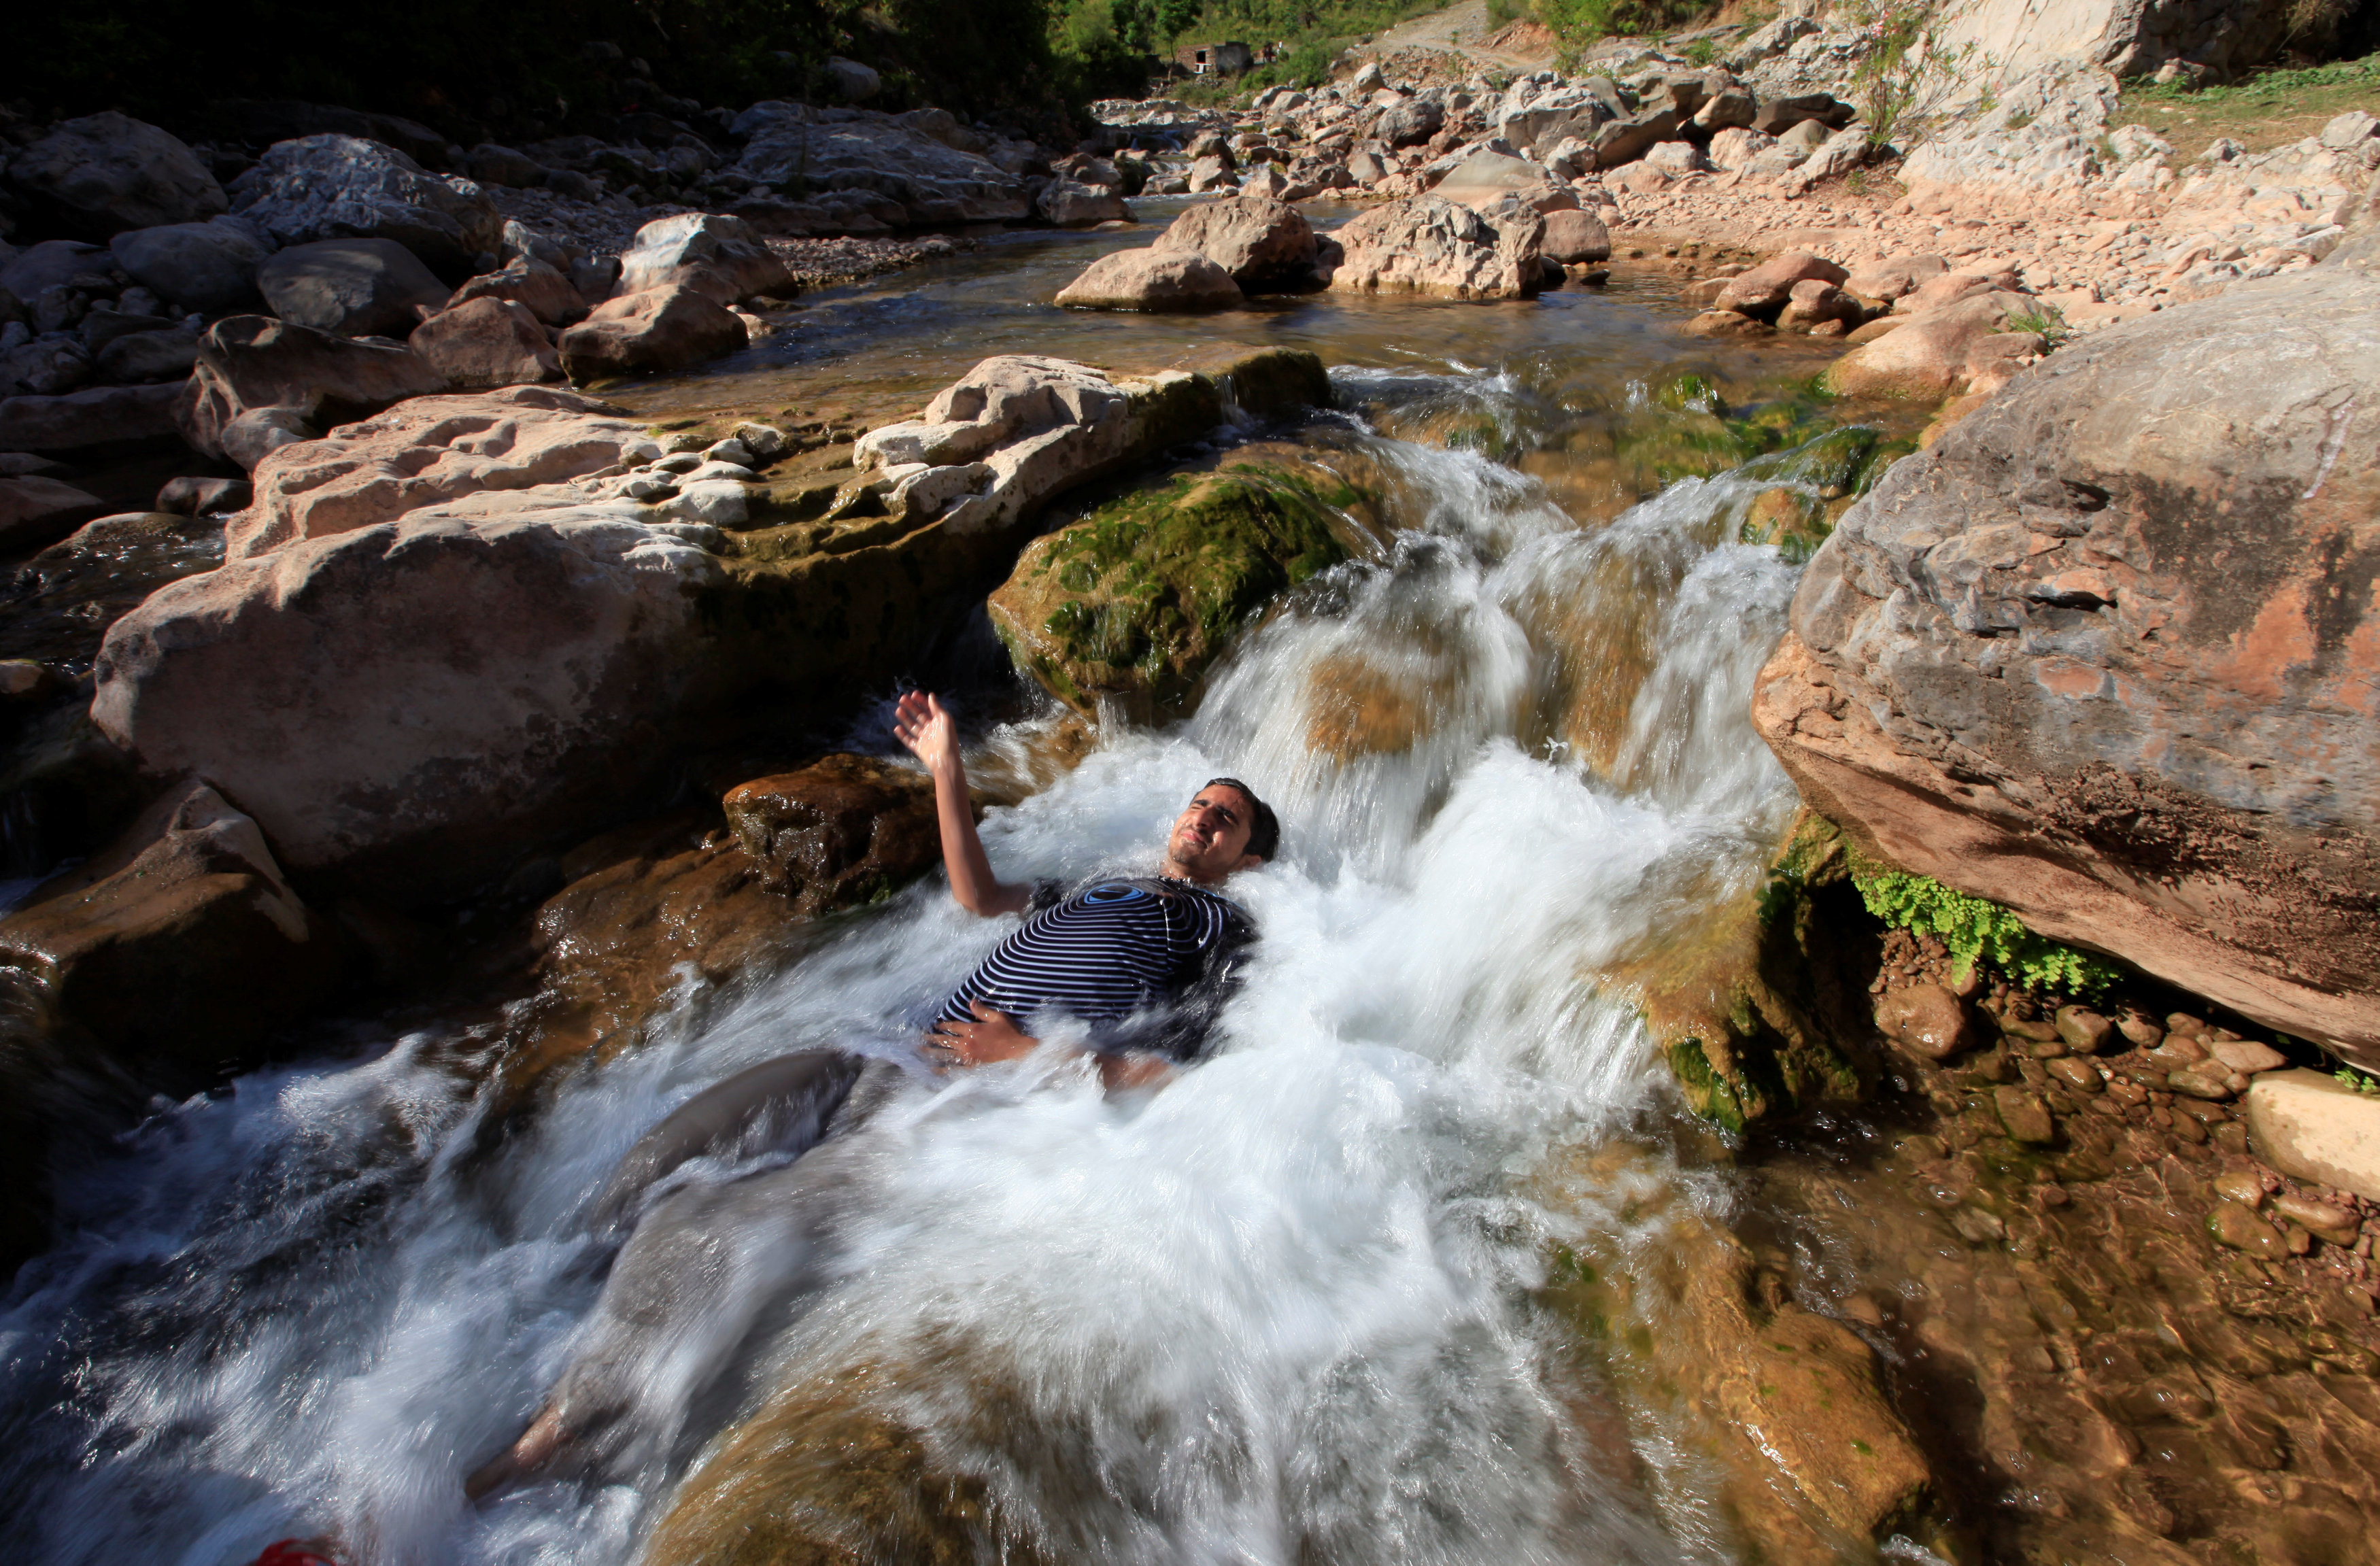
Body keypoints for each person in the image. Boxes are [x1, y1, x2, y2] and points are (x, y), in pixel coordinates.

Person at [464, 692, 1278, 1499]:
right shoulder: (1105, 883)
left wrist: (1029, 1055)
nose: (1202, 818)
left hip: (962, 1107)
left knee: (704, 1225)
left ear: (1246, 859)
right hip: (891, 1050)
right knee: (662, 1159)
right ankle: (516, 1332)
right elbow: (978, 895)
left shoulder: (1224, 929)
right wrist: (945, 769)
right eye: (1200, 803)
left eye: (1226, 819)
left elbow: (1186, 1076)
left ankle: (526, 1460)